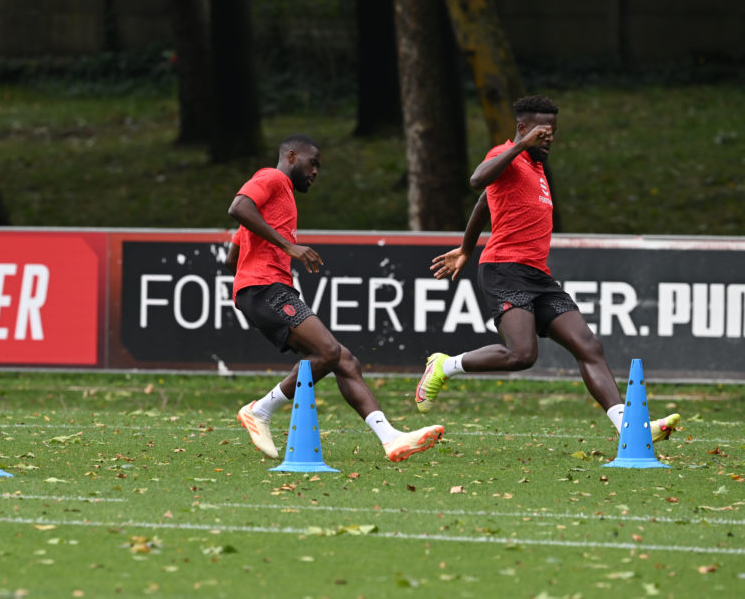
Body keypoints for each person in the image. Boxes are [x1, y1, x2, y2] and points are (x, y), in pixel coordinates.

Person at [419, 95, 680, 443]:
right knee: (522, 355)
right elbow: (477, 181)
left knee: (589, 346)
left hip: (538, 276)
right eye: (543, 132)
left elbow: (486, 202)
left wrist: (466, 247)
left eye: (554, 132)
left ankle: (629, 429)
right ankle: (444, 365)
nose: (550, 138)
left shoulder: (537, 168)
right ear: (524, 129)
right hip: (504, 270)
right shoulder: (504, 154)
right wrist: (518, 147)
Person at [229, 134, 444, 462]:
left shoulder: (274, 201)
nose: (315, 171)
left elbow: (233, 257)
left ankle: (391, 439)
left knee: (345, 361)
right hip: (265, 288)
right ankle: (260, 410)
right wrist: (287, 246)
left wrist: (253, 247)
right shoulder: (271, 178)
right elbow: (238, 206)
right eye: (311, 162)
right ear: (290, 156)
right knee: (328, 351)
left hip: (263, 289)